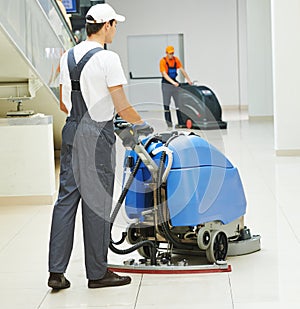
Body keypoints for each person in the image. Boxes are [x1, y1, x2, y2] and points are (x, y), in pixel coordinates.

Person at [48, 3, 153, 290]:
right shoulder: (108, 59)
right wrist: (143, 126)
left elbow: (62, 103)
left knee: (66, 201)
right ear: (105, 26)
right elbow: (121, 104)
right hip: (96, 136)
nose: (116, 30)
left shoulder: (67, 56)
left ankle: (56, 272)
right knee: (96, 203)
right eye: (115, 25)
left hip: (72, 129)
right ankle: (97, 273)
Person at [159, 46, 192, 127]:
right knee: (166, 105)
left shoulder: (175, 60)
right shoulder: (163, 61)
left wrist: (188, 80)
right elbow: (164, 74)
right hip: (166, 84)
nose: (172, 55)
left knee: (178, 103)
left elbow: (182, 69)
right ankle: (169, 123)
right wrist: (173, 82)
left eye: (172, 53)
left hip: (174, 82)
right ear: (166, 53)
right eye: (170, 53)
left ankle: (181, 122)